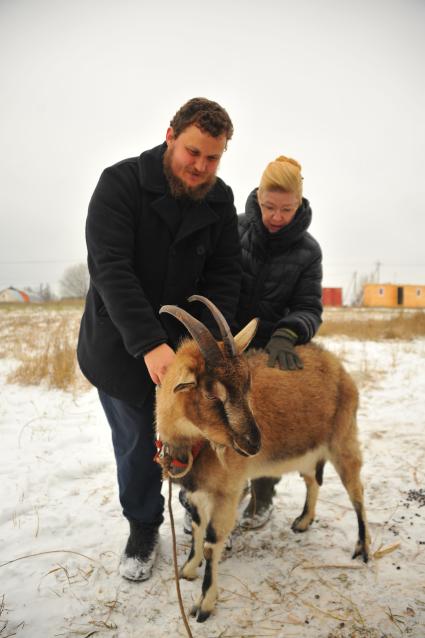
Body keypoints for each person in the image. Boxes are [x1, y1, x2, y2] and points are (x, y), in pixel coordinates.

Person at [77, 97, 242, 581]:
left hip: (191, 353)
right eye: (193, 152)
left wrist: (204, 348)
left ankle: (194, 502)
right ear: (170, 136)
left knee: (197, 435)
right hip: (123, 345)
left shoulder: (220, 197)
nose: (201, 166)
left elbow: (226, 275)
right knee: (136, 444)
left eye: (213, 158)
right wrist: (150, 343)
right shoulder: (120, 184)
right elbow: (111, 270)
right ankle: (144, 525)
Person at [235, 155, 323, 529]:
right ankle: (220, 488)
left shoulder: (308, 251)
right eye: (269, 206)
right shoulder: (232, 229)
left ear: (299, 204)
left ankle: (262, 491)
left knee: (264, 423)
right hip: (228, 344)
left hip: (272, 351)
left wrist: (288, 333)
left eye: (286, 209)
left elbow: (308, 307)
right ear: (258, 198)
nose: (276, 216)